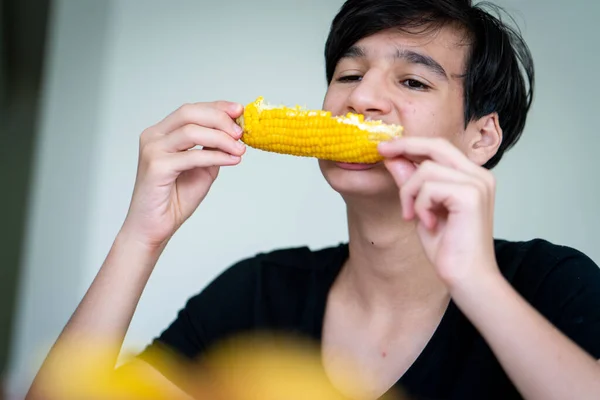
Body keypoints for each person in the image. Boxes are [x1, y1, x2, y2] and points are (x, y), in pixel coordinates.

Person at [26, 0, 600, 399]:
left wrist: (477, 281)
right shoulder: (257, 295)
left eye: (413, 81)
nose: (363, 98)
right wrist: (140, 235)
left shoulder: (552, 283)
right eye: (348, 74)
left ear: (482, 136)